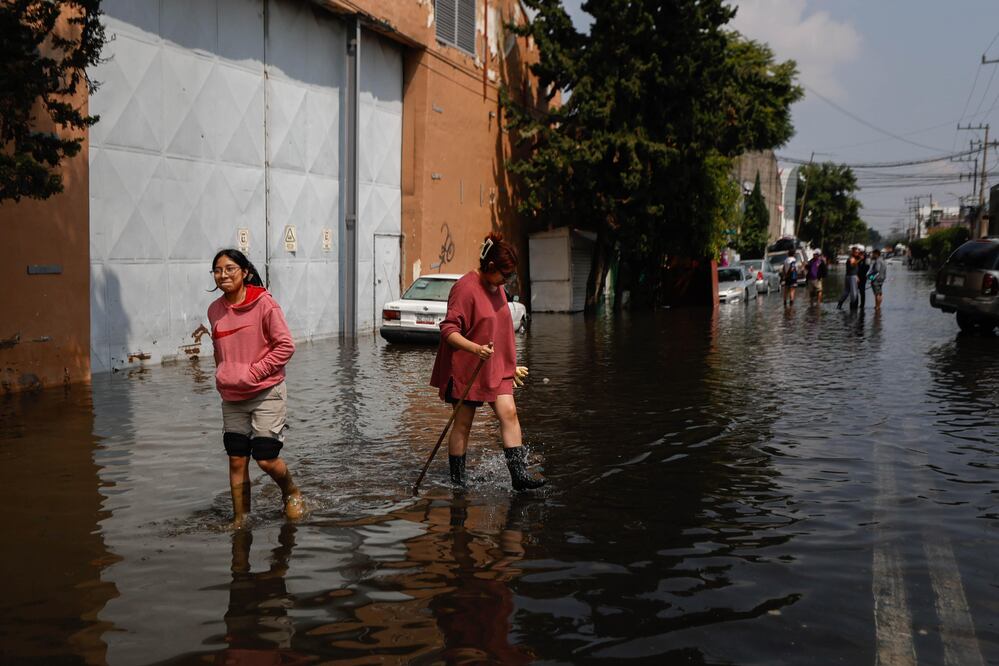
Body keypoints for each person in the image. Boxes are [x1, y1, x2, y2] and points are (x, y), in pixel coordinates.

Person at [430, 232, 545, 491]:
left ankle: (519, 477)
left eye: (511, 276)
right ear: (491, 267)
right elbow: (449, 331)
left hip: (495, 366)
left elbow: (498, 330)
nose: (508, 281)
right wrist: (476, 349)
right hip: (467, 367)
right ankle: (458, 481)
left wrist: (509, 365)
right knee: (463, 424)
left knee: (510, 414)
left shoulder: (498, 288)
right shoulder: (465, 288)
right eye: (506, 276)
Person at [208, 249, 303, 528]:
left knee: (265, 459)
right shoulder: (214, 310)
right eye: (217, 270)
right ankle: (240, 519)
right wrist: (222, 375)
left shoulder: (264, 304)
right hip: (232, 395)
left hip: (266, 392)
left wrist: (253, 373)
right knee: (236, 459)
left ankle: (291, 491)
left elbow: (285, 346)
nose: (223, 274)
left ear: (245, 272)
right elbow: (218, 350)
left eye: (229, 269)